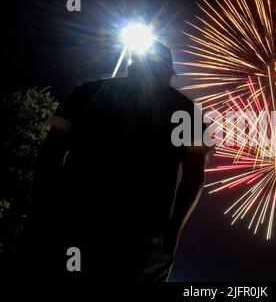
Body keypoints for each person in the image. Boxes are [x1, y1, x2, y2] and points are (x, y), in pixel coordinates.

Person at [20, 41, 212, 285]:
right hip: (141, 240)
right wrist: (172, 233)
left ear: (131, 65)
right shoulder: (186, 110)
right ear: (167, 72)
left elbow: (50, 155)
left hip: (73, 222)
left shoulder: (87, 93)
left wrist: (40, 210)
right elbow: (195, 178)